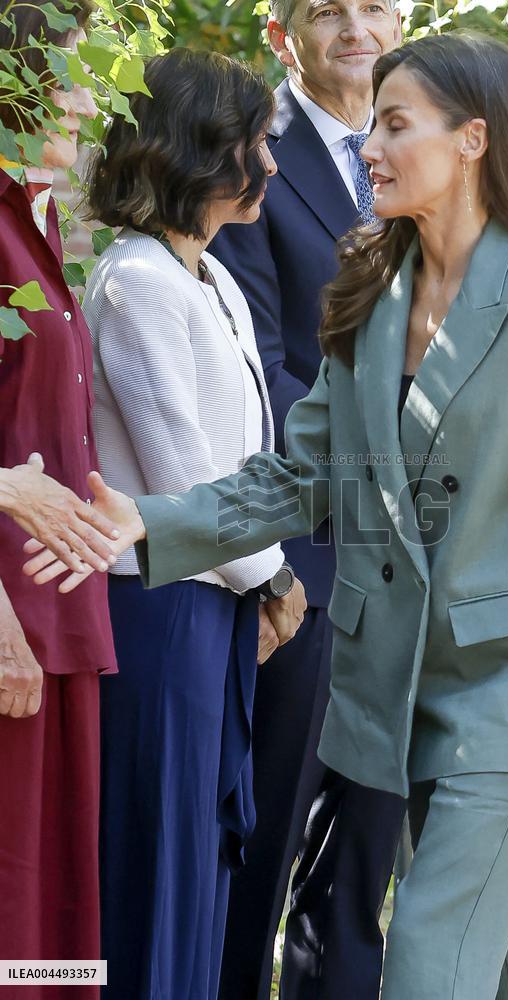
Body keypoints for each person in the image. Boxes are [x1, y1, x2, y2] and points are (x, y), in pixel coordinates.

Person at [25, 33, 508, 1000]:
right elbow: (299, 473)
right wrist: (151, 521)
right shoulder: (372, 289)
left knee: (429, 961)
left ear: (473, 141)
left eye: (396, 126)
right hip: (395, 689)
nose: (369, 146)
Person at [81, 48, 306, 1000]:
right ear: (199, 152)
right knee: (155, 865)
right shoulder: (134, 281)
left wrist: (261, 578)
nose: (271, 165)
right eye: (257, 143)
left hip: (214, 608)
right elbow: (182, 468)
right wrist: (276, 579)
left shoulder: (207, 277)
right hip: (159, 610)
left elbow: (248, 459)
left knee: (207, 859)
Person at [209, 0, 405, 996]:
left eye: (373, 5)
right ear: (282, 33)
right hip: (310, 566)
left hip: (423, 574)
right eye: (327, 9)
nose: (354, 27)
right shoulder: (254, 158)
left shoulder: (431, 143)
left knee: (359, 869)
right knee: (261, 847)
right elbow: (256, 367)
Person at [0, 1, 120, 994]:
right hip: (9, 619)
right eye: (72, 73)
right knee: (11, 903)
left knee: (62, 913)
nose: (87, 99)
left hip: (68, 615)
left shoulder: (34, 230)